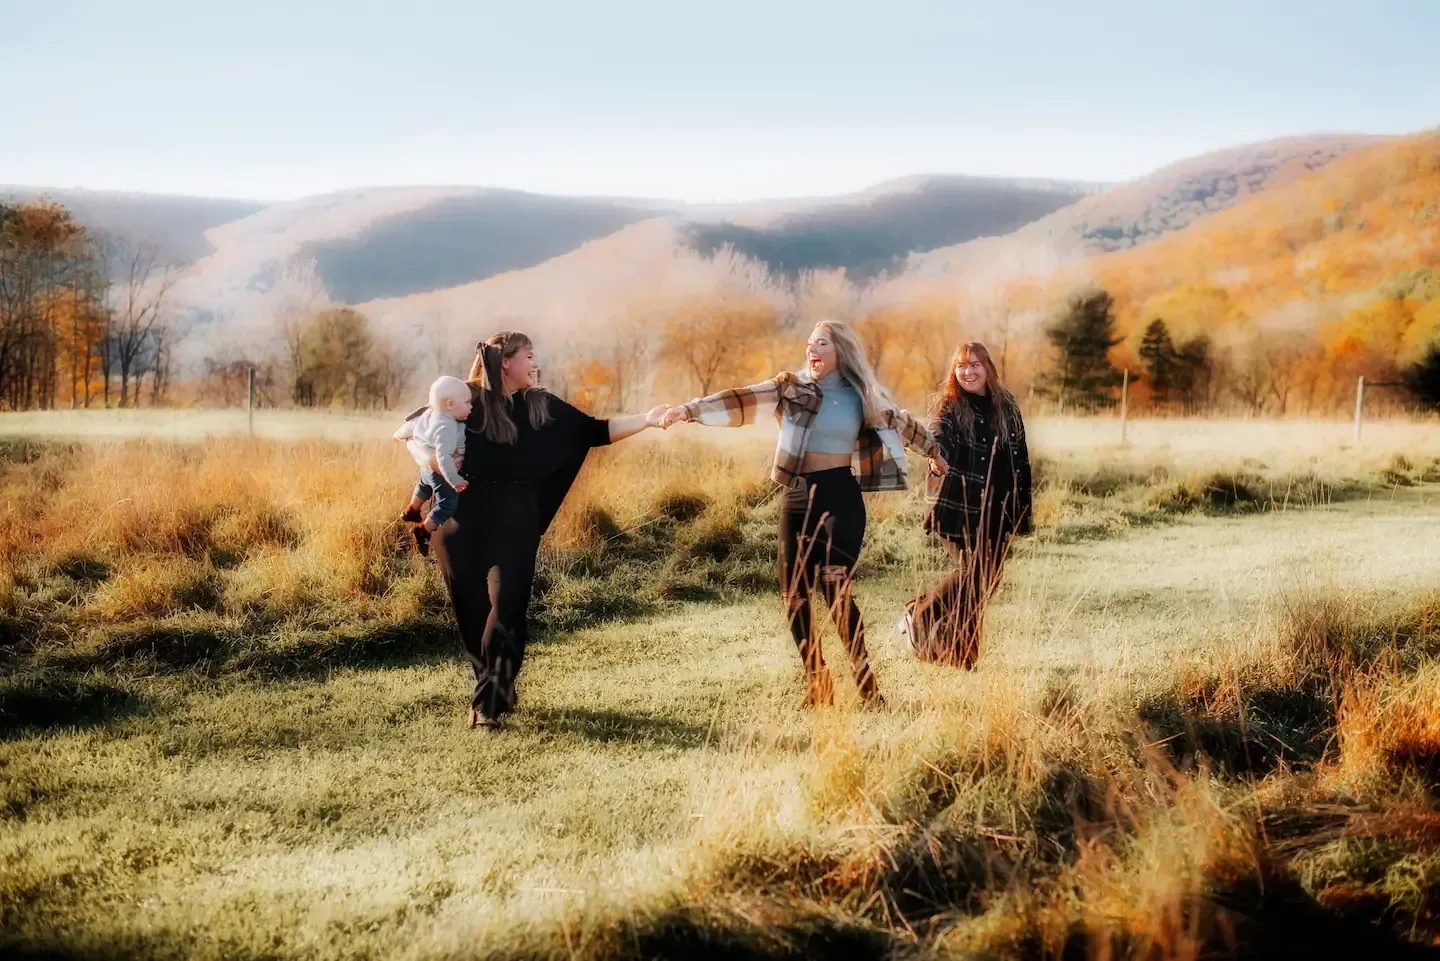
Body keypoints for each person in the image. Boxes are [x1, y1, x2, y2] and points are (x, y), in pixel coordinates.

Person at [661, 320, 943, 709]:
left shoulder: (862, 394)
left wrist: (934, 452)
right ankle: (817, 681)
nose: (812, 349)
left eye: (821, 343)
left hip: (840, 495)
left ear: (841, 350)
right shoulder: (791, 388)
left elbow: (902, 422)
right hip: (797, 496)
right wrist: (688, 410)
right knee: (792, 593)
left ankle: (867, 686)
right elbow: (743, 399)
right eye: (810, 343)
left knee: (834, 585)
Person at [430, 331, 668, 730]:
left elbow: (595, 431)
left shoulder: (540, 405)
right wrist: (433, 462)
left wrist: (647, 419)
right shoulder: (464, 399)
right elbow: (415, 431)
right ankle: (495, 687)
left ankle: (487, 705)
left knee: (508, 611)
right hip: (461, 524)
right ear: (506, 361)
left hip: (515, 522)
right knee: (472, 617)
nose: (534, 363)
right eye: (528, 355)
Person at [899, 342, 1032, 668]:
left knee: (988, 579)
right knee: (975, 573)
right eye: (961, 366)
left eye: (975, 365)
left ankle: (962, 655)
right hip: (958, 504)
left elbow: (1021, 458)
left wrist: (1021, 510)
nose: (968, 372)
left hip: (998, 506)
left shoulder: (1006, 405)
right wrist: (935, 457)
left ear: (988, 369)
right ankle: (921, 615)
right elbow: (938, 436)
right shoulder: (949, 405)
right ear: (954, 372)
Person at [394, 375, 471, 556]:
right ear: (450, 404)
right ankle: (423, 530)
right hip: (440, 472)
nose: (471, 406)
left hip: (425, 470)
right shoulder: (446, 427)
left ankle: (412, 510)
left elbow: (411, 425)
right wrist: (454, 480)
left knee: (424, 486)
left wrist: (397, 435)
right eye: (467, 403)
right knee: (448, 503)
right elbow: (443, 458)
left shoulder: (429, 413)